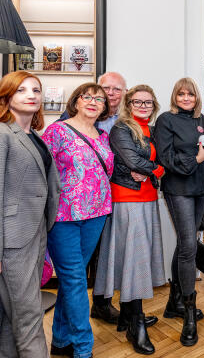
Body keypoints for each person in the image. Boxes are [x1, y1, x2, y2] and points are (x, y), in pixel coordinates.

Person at [42, 82, 114, 358]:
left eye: (100, 99)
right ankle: (84, 349)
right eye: (88, 96)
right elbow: (42, 172)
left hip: (96, 214)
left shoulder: (102, 136)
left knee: (73, 279)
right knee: (74, 280)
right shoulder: (57, 131)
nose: (94, 102)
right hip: (64, 217)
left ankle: (61, 341)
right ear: (76, 100)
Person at [93, 85, 166, 355]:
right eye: (138, 101)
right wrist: (158, 169)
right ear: (128, 103)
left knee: (134, 258)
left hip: (147, 198)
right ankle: (136, 324)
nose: (143, 106)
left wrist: (153, 172)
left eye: (148, 102)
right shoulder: (122, 128)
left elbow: (151, 162)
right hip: (127, 199)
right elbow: (133, 160)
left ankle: (126, 315)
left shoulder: (152, 128)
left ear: (154, 104)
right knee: (134, 259)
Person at [0, 71, 60, 358]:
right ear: (7, 97)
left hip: (34, 234)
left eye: (36, 90)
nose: (31, 95)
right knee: (29, 317)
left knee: (11, 317)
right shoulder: (2, 134)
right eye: (22, 90)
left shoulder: (34, 135)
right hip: (12, 240)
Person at [154, 77, 204, 347]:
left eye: (191, 94)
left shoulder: (200, 119)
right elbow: (165, 158)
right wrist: (198, 158)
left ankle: (174, 303)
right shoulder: (166, 120)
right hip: (178, 188)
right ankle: (189, 311)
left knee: (184, 245)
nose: (187, 98)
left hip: (201, 188)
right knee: (190, 245)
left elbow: (199, 145)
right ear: (175, 97)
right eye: (182, 94)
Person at [59, 72, 127, 134]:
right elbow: (57, 133)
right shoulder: (78, 111)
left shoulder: (131, 114)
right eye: (106, 88)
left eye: (117, 89)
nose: (110, 93)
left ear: (125, 92)